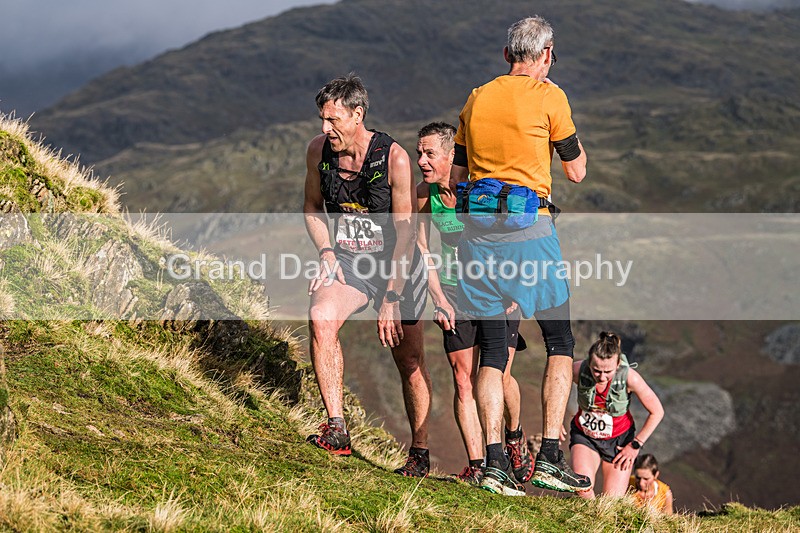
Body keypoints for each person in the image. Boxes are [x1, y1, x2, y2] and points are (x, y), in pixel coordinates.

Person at [449, 15, 589, 495]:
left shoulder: (476, 97)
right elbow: (575, 172)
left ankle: (492, 465)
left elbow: (454, 177)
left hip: (478, 237)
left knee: (492, 351)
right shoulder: (551, 96)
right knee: (560, 342)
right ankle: (550, 454)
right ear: (547, 54)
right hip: (532, 232)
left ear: (507, 55)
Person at [303, 74, 432, 477]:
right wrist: (326, 251)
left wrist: (391, 298)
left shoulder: (392, 157)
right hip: (350, 264)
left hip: (397, 265)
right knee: (320, 317)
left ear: (357, 114)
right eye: (322, 119)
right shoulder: (317, 151)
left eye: (333, 119)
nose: (326, 128)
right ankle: (337, 428)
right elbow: (310, 207)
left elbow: (407, 232)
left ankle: (420, 452)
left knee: (408, 358)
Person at [415, 121, 535, 485]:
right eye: (419, 152)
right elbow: (421, 248)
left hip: (497, 292)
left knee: (498, 375)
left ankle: (514, 437)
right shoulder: (425, 193)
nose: (421, 160)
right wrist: (437, 298)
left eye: (429, 153)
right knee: (462, 379)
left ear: (453, 155)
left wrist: (515, 288)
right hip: (454, 294)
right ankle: (480, 465)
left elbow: (517, 236)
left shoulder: (480, 189)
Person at [568, 332, 665, 499]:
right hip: (585, 436)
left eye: (608, 372)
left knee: (612, 502)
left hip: (619, 442)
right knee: (582, 489)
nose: (602, 377)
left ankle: (599, 520)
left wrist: (635, 445)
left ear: (618, 364)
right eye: (596, 370)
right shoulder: (577, 370)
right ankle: (591, 519)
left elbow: (657, 411)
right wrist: (554, 424)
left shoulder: (630, 378)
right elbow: (554, 386)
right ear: (589, 362)